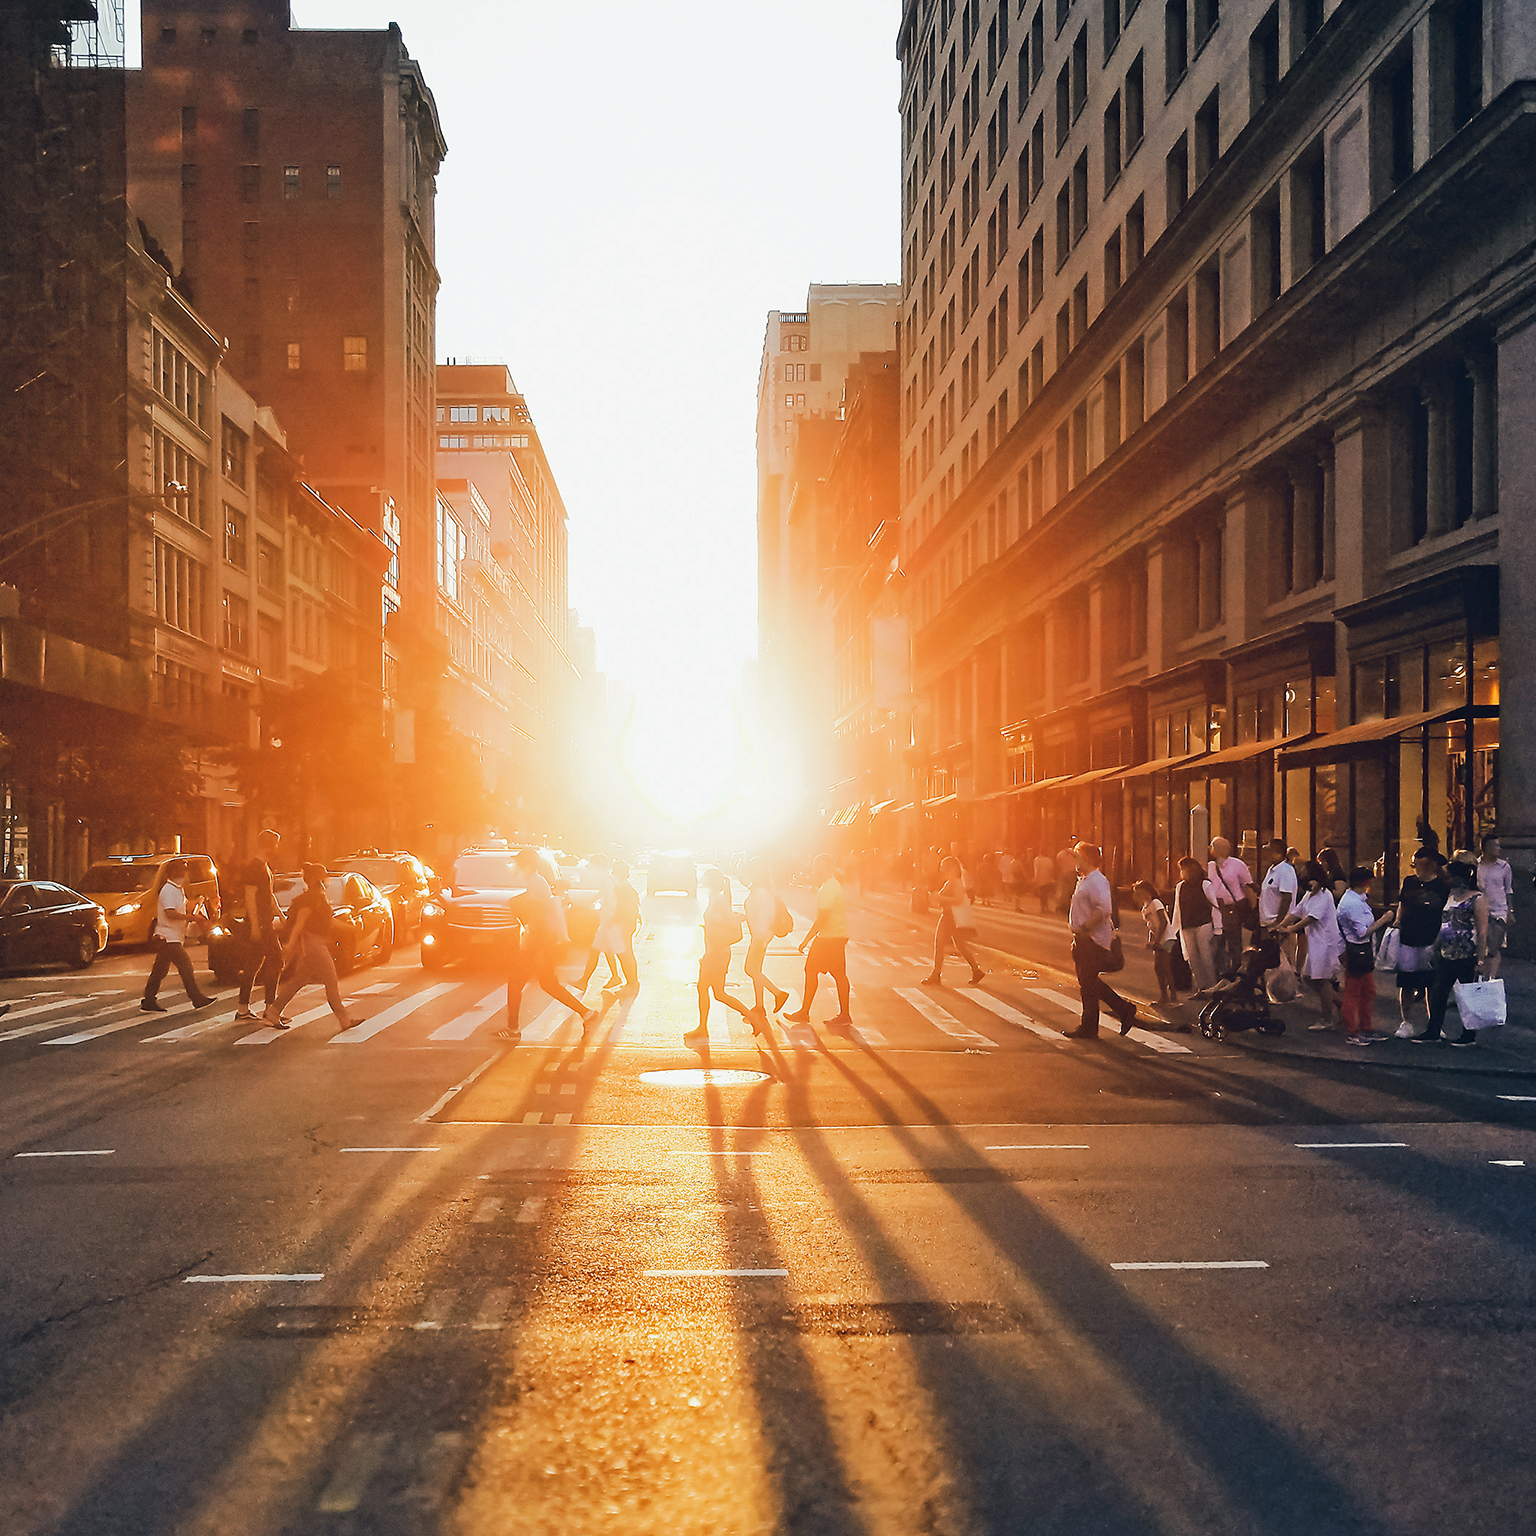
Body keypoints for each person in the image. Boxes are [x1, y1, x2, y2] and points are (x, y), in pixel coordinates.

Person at [495, 847, 594, 1043]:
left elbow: (539, 916)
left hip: (538, 944)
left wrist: (529, 943)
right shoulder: (535, 882)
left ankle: (513, 1029)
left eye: (518, 863)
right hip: (540, 942)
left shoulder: (535, 883)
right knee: (548, 984)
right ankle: (587, 1014)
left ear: (527, 865)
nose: (514, 866)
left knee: (518, 983)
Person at [263, 864, 357, 1030]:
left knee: (299, 980)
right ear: (316, 879)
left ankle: (274, 1011)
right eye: (323, 877)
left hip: (313, 944)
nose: (326, 880)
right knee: (331, 981)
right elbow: (300, 923)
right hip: (314, 945)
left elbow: (328, 921)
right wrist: (290, 945)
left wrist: (349, 928)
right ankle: (344, 1019)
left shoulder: (318, 896)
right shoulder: (311, 898)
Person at [1065, 842, 1137, 1038]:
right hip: (1083, 939)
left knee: (1088, 984)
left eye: (1077, 856)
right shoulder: (1085, 879)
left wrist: (1085, 929)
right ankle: (1115, 1014)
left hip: (1092, 940)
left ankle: (1098, 1022)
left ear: (1087, 858)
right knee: (1088, 984)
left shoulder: (1097, 880)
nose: (1074, 860)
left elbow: (1104, 908)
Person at [1423, 858, 1488, 1046]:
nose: (1446, 880)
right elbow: (1444, 924)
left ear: (1459, 877)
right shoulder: (1451, 896)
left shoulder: (1478, 898)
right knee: (1439, 992)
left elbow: (1482, 931)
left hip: (1467, 953)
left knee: (1467, 994)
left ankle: (1469, 1034)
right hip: (1446, 952)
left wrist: (1481, 959)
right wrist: (1435, 946)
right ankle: (1433, 1029)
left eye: (1449, 876)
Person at [686, 868, 757, 1040]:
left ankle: (703, 1027)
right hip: (715, 952)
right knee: (717, 992)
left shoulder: (718, 900)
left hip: (717, 954)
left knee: (706, 989)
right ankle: (704, 1027)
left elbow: (728, 919)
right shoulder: (717, 898)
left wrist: (737, 918)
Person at [1386, 849, 1450, 1039]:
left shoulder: (1442, 886)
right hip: (1408, 936)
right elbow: (1402, 904)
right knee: (1406, 981)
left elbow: (1445, 911)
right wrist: (1398, 922)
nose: (1415, 867)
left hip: (1431, 938)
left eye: (1418, 863)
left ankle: (1434, 1023)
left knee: (1431, 983)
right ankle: (1407, 1022)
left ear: (1430, 864)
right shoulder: (1409, 881)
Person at [140, 858, 217, 1013]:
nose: (188, 876)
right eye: (185, 872)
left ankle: (148, 1000)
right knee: (186, 966)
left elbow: (183, 907)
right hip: (168, 937)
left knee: (160, 971)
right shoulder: (168, 890)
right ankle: (196, 998)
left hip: (172, 936)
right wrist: (192, 918)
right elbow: (170, 913)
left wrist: (196, 904)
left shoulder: (177, 890)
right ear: (180, 874)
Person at [786, 853, 852, 1029]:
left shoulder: (829, 888)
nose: (814, 868)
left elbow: (823, 918)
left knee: (812, 970)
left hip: (829, 937)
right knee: (837, 974)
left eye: (817, 865)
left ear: (826, 867)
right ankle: (842, 1014)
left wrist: (806, 939)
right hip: (835, 935)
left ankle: (805, 1012)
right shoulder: (830, 885)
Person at [1278, 862, 1344, 1029]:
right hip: (1316, 943)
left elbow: (1312, 917)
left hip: (1325, 943)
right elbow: (1296, 912)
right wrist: (1281, 925)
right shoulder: (1310, 895)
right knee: (1309, 977)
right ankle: (1341, 1005)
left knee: (1321, 980)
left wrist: (1290, 929)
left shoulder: (1324, 894)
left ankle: (1327, 1019)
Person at [236, 827, 283, 1022]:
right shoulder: (255, 867)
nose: (278, 849)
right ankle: (269, 1008)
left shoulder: (265, 867)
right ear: (269, 845)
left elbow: (269, 895)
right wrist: (255, 925)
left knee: (254, 964)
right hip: (260, 924)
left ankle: (243, 1008)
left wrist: (281, 913)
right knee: (277, 960)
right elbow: (250, 897)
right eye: (276, 845)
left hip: (265, 922)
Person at [922, 855, 986, 987]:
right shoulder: (951, 882)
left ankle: (936, 974)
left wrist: (940, 897)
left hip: (950, 917)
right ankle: (976, 970)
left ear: (951, 868)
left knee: (939, 944)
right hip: (951, 916)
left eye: (943, 868)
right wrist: (937, 898)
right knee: (959, 945)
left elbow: (958, 899)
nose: (941, 871)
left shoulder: (955, 882)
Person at [1337, 865, 1381, 1045]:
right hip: (1357, 950)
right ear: (1366, 882)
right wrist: (1384, 919)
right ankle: (1353, 1031)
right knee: (1355, 991)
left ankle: (1364, 1026)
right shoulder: (1353, 903)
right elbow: (1362, 932)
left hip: (1358, 950)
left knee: (1366, 990)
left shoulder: (1354, 900)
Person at [742, 859, 791, 1020]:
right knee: (757, 971)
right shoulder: (759, 890)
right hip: (759, 936)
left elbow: (764, 916)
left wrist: (759, 938)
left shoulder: (761, 892)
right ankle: (759, 1006)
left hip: (760, 936)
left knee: (750, 969)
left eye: (750, 869)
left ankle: (778, 993)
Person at [1171, 856, 1219, 994]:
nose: (1181, 873)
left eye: (1183, 869)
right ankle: (1200, 986)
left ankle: (1212, 986)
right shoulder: (1180, 886)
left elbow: (1215, 907)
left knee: (1206, 955)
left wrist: (1218, 929)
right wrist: (1175, 929)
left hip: (1203, 924)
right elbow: (1177, 908)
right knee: (1192, 957)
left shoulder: (1204, 884)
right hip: (1187, 925)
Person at [1207, 837, 1255, 971]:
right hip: (1216, 909)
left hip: (1233, 909)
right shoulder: (1210, 866)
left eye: (1212, 846)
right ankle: (1221, 971)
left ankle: (1236, 970)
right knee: (1217, 943)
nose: (1210, 849)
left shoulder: (1237, 865)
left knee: (1234, 942)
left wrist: (1252, 910)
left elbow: (1248, 887)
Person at [578, 854, 624, 995]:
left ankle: (583, 981)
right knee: (609, 950)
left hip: (609, 922)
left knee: (600, 951)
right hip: (609, 922)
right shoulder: (610, 879)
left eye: (592, 866)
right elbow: (606, 896)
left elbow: (612, 901)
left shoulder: (606, 880)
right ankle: (616, 977)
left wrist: (609, 921)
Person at [1134, 878, 1179, 1005]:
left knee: (1165, 967)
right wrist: (1151, 940)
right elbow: (1151, 926)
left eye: (1139, 892)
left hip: (1167, 938)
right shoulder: (1145, 906)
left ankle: (1173, 997)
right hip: (1159, 939)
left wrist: (1157, 941)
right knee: (1158, 968)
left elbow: (1163, 922)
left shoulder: (1156, 903)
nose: (1137, 895)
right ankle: (1164, 996)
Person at [1477, 833, 1514, 980]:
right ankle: (1481, 975)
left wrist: (1510, 911)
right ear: (1486, 847)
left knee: (1495, 946)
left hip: (1499, 910)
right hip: (1480, 910)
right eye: (1495, 845)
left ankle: (1491, 977)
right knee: (1481, 943)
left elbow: (1508, 889)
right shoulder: (1476, 865)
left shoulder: (1504, 867)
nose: (1499, 848)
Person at [1258, 838, 1299, 947]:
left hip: (1279, 925)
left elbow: (1287, 897)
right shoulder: (1272, 869)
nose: (1265, 852)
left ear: (1278, 851)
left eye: (1269, 849)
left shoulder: (1285, 870)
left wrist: (1279, 923)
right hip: (1268, 924)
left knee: (1282, 959)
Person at [611, 858, 641, 991]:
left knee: (625, 953)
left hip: (623, 923)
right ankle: (631, 981)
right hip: (627, 922)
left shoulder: (621, 886)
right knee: (624, 952)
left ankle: (632, 983)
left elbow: (619, 907)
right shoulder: (624, 885)